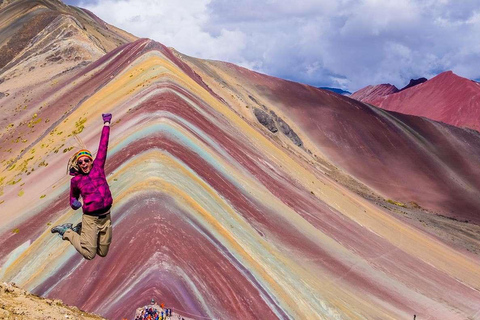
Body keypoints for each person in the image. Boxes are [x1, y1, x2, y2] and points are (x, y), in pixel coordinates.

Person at [51, 113, 113, 260]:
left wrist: (106, 124)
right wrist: (74, 203)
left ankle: (80, 229)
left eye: (86, 160)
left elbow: (103, 145)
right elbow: (72, 198)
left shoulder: (98, 167)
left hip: (106, 217)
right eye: (81, 162)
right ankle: (67, 232)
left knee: (102, 253)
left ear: (91, 161)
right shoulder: (76, 181)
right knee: (89, 254)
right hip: (91, 219)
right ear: (77, 165)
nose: (84, 163)